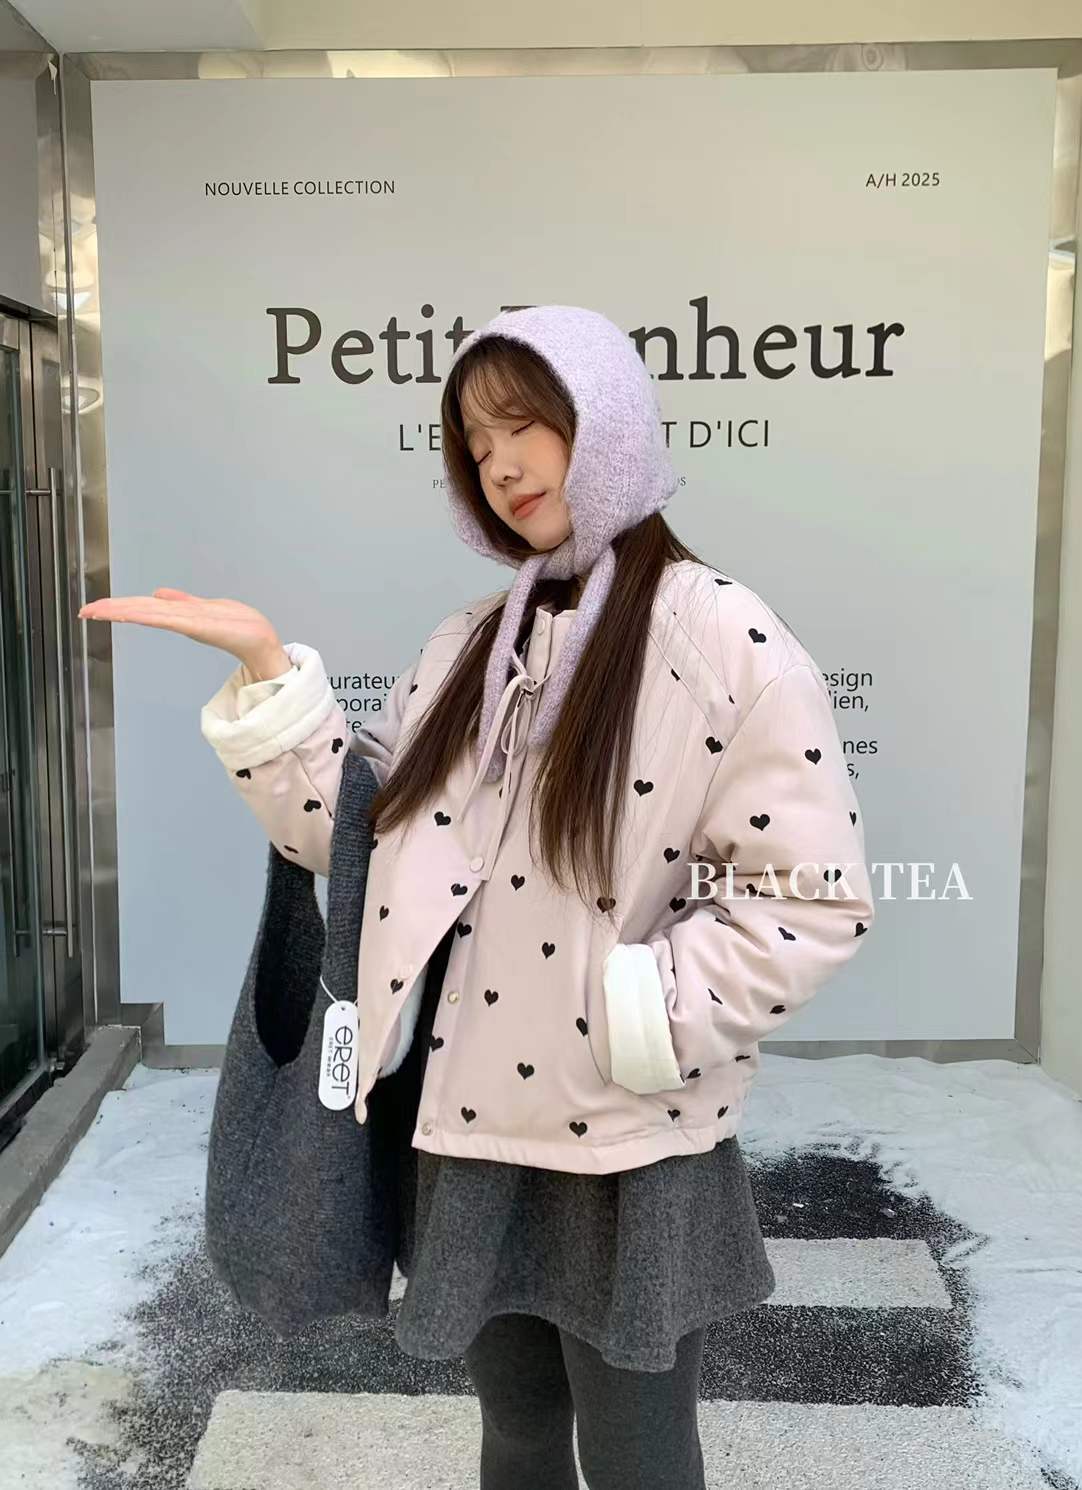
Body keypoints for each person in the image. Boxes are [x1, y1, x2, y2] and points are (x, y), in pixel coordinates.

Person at [80, 303, 875, 1490]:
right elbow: (356, 838)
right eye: (475, 439)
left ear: (602, 419)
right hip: (466, 1131)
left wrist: (637, 1011)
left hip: (625, 1142)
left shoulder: (721, 636)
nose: (500, 463)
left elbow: (810, 895)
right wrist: (266, 672)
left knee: (640, 1454)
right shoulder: (467, 647)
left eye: (523, 423)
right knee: (515, 1431)